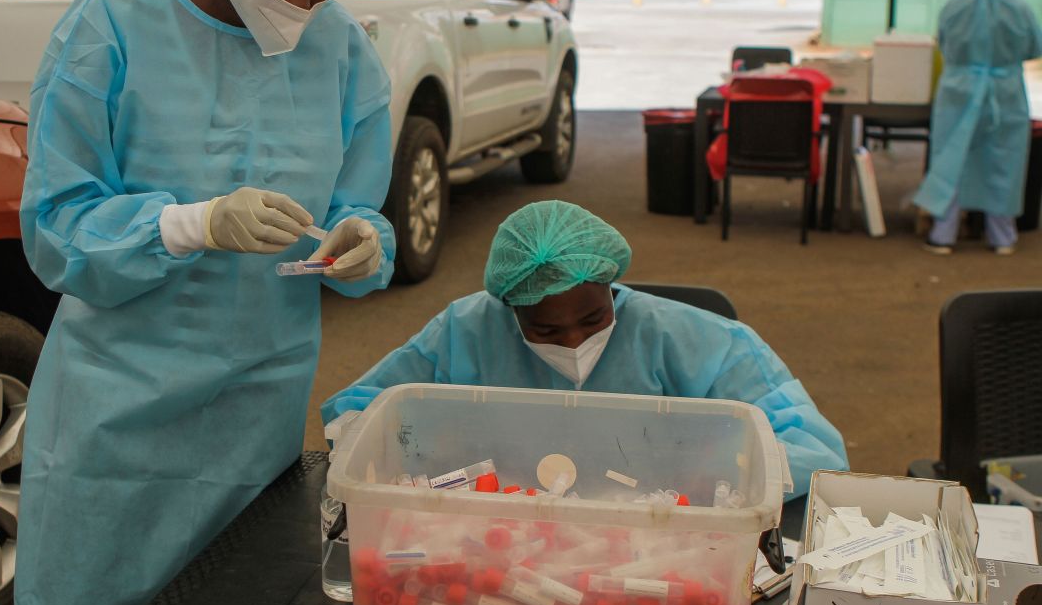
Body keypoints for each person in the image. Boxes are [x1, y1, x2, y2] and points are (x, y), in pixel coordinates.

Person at [11, 0, 395, 605]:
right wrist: (189, 224)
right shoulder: (110, 26)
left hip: (256, 397)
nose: (301, 1)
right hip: (117, 409)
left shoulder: (344, 54)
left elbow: (357, 205)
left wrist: (363, 242)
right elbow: (55, 226)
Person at [322, 201, 847, 498]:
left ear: (612, 286)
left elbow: (816, 451)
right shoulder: (467, 330)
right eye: (546, 332)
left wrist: (715, 483)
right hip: (505, 535)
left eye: (594, 319)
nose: (574, 342)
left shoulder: (691, 338)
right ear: (510, 309)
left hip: (664, 537)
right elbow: (358, 412)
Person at [916, 0, 1042, 255]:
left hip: (959, 90)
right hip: (1005, 92)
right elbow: (1033, 48)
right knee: (1004, 161)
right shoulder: (1020, 8)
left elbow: (943, 43)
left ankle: (944, 233)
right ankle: (1002, 236)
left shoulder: (955, 5)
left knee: (951, 159)